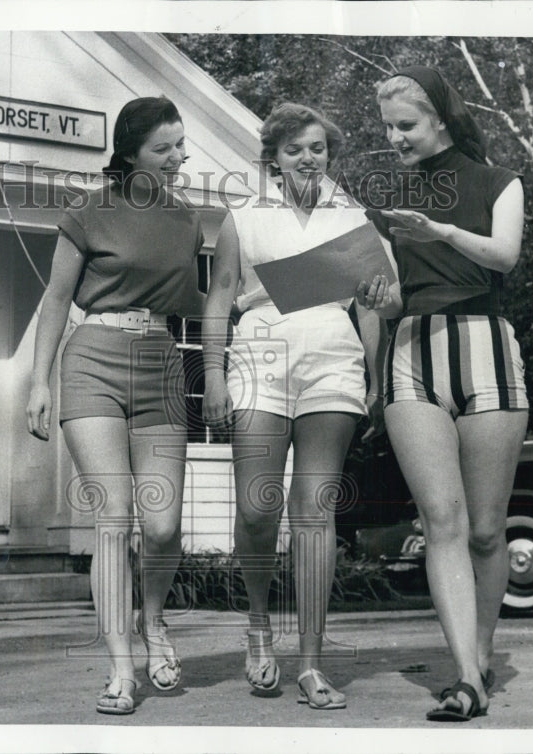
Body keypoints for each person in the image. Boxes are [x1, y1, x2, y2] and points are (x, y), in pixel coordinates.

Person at [202, 102, 400, 710]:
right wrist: (212, 374)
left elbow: (377, 304)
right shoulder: (243, 216)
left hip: (331, 359)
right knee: (257, 507)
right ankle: (259, 626)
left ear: (329, 153)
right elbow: (219, 300)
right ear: (274, 159)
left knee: (315, 512)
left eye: (317, 147)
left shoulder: (352, 216)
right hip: (258, 357)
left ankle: (312, 662)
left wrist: (376, 375)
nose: (308, 158)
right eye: (294, 150)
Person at [360, 65, 529, 722]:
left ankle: (480, 658)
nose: (394, 138)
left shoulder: (499, 182)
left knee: (486, 530)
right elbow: (392, 298)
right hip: (412, 352)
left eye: (405, 125)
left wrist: (441, 231)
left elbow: (505, 256)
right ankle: (465, 677)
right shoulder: (388, 201)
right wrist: (375, 295)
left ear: (439, 118)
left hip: (485, 347)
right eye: (387, 128)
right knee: (442, 523)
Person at [25, 96, 203, 716]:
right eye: (163, 148)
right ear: (129, 154)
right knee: (114, 518)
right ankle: (121, 669)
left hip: (161, 363)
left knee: (163, 525)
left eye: (181, 144)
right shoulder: (89, 212)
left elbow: (205, 299)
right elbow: (56, 298)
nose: (178, 157)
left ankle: (154, 620)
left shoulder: (188, 219)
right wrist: (39, 382)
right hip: (93, 360)